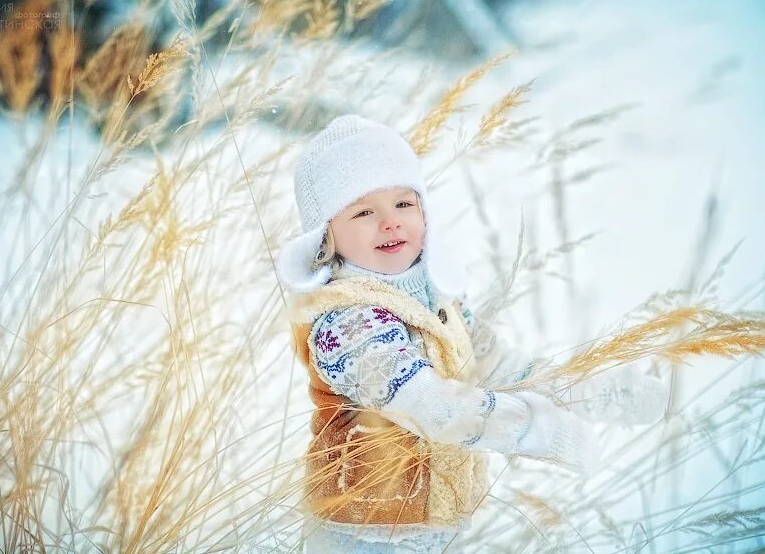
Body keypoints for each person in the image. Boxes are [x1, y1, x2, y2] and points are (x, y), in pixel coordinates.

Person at [275, 114, 668, 553]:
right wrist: (536, 430)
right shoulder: (347, 322)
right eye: (364, 211)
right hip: (363, 528)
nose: (391, 222)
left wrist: (596, 394)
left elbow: (500, 366)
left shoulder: (435, 301)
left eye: (404, 204)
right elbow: (431, 407)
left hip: (435, 524)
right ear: (325, 236)